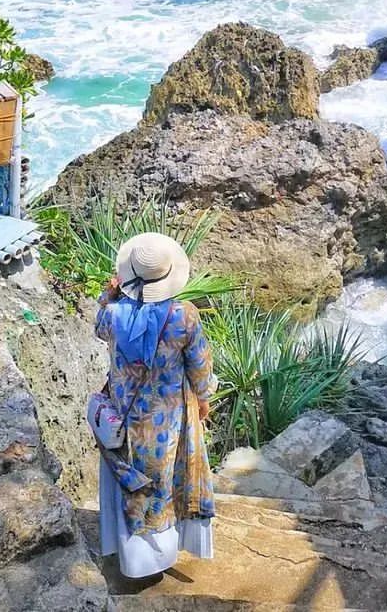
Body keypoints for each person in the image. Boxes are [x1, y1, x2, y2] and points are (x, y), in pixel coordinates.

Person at [95, 231, 217, 579]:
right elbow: (199, 366)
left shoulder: (113, 314)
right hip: (166, 421)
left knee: (128, 478)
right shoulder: (184, 316)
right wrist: (204, 399)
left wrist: (109, 293)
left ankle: (129, 557)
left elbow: (98, 327)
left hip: (122, 414)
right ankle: (158, 557)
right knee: (160, 480)